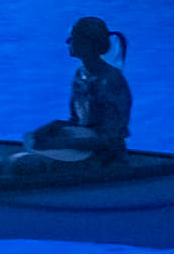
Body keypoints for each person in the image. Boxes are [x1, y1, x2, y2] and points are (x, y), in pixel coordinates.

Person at [12, 16, 132, 173]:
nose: (68, 42)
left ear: (87, 45)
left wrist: (60, 143)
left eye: (73, 38)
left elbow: (111, 139)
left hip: (106, 159)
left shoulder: (111, 81)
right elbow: (80, 122)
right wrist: (54, 126)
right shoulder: (81, 75)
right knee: (17, 161)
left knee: (22, 166)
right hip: (82, 150)